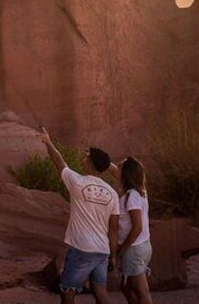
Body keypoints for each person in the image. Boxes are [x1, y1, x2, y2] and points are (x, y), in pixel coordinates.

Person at [42, 128, 119, 304]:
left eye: (86, 158)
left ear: (91, 163)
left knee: (67, 292)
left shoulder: (77, 183)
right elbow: (113, 229)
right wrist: (113, 256)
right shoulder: (112, 193)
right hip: (102, 250)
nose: (82, 160)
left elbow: (58, 161)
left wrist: (47, 142)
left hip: (81, 249)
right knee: (100, 292)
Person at [112, 156, 153, 304]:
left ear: (126, 173)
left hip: (133, 249)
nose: (117, 168)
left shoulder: (132, 196)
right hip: (142, 246)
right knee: (127, 287)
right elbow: (113, 171)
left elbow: (137, 227)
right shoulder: (140, 192)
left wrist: (121, 251)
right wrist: (101, 159)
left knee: (142, 292)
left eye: (120, 166)